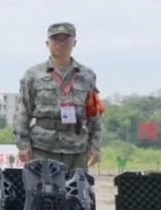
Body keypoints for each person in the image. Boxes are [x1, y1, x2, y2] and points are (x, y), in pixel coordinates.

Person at [13, 22, 105, 171]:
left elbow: (94, 115)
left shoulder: (87, 76)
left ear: (74, 42)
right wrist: (23, 144)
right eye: (55, 39)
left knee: (76, 192)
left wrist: (95, 147)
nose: (60, 44)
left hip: (76, 148)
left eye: (65, 39)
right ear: (47, 43)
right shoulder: (33, 75)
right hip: (42, 147)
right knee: (42, 193)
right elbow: (22, 111)